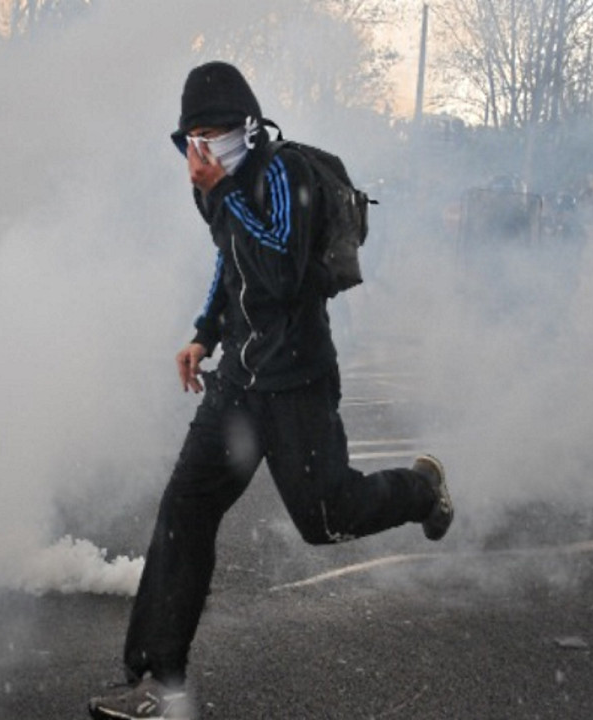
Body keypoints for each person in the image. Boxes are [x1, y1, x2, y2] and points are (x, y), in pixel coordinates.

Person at [86, 61, 454, 720]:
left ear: (247, 125)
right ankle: (159, 684)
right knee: (184, 512)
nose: (206, 142)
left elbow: (281, 272)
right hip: (237, 386)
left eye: (218, 129)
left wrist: (222, 191)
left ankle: (423, 488)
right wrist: (203, 333)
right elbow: (232, 266)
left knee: (327, 520)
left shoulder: (281, 174)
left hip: (296, 386)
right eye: (196, 132)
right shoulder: (218, 184)